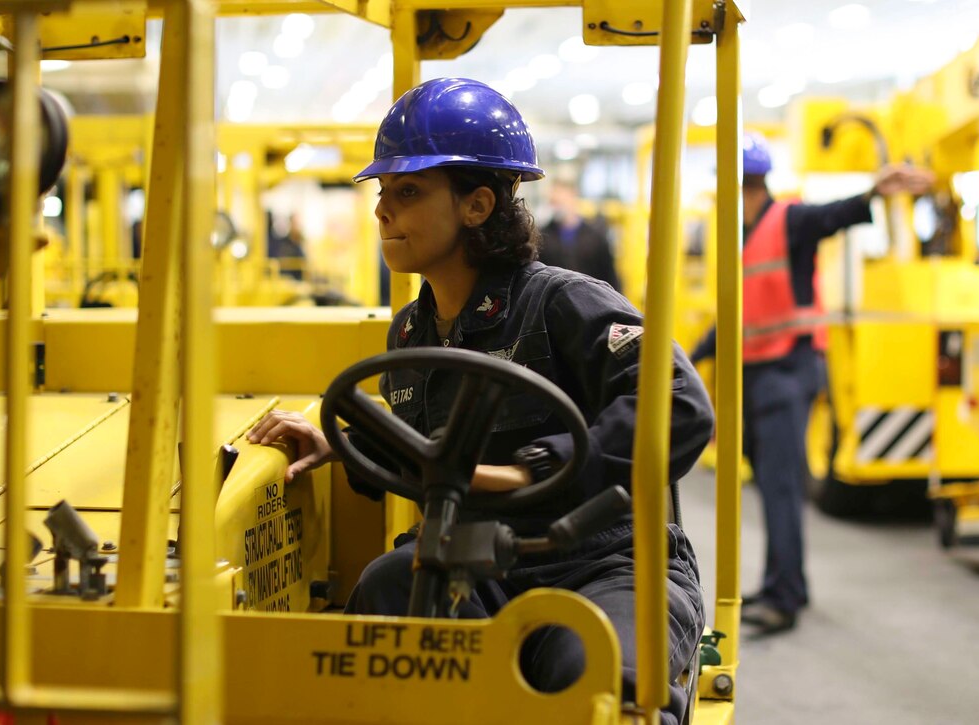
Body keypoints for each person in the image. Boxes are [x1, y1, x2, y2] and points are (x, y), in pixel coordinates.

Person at [247, 77, 713, 725]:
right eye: (384, 193)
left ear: (477, 204)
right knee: (374, 609)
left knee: (603, 683)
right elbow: (423, 456)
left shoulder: (562, 303)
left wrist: (535, 468)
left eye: (408, 192)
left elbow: (681, 404)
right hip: (470, 560)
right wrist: (339, 443)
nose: (383, 211)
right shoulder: (410, 334)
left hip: (604, 561)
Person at [689, 133, 933, 636]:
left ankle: (784, 599)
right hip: (756, 374)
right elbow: (739, 312)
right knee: (768, 483)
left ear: (742, 183)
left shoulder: (789, 222)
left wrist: (870, 195)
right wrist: (690, 357)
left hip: (787, 371)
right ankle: (786, 583)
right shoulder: (744, 233)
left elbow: (831, 216)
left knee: (780, 488)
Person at [538, 177, 622, 291]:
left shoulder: (596, 238)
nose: (555, 207)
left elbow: (610, 277)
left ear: (573, 195)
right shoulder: (543, 237)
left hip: (591, 301)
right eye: (553, 202)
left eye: (558, 202)